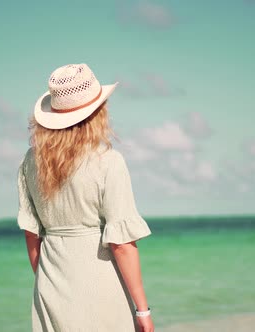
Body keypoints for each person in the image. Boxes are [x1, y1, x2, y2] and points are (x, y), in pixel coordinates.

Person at [17, 63, 155, 332]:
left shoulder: (31, 162)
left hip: (50, 285)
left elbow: (32, 235)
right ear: (97, 113)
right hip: (101, 286)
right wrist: (143, 311)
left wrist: (47, 282)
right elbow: (122, 245)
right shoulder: (109, 162)